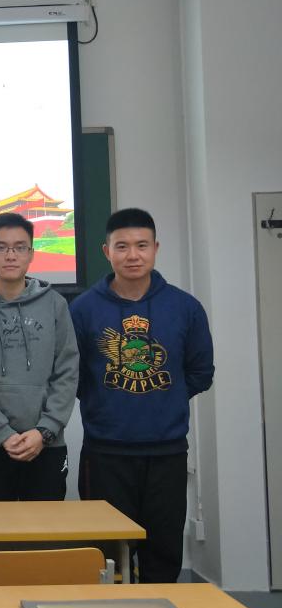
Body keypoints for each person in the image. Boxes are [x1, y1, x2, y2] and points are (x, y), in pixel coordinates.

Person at [71, 207, 214, 583]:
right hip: (105, 453)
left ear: (155, 249)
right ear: (107, 251)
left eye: (141, 245)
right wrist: (110, 403)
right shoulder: (83, 309)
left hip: (166, 453)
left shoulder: (185, 307)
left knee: (163, 554)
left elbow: (201, 372)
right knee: (105, 558)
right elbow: (74, 376)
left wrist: (164, 398)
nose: (132, 255)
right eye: (122, 246)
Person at [0, 212, 79, 502]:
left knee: (46, 529)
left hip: (45, 443)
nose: (10, 255)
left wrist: (44, 431)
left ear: (31, 254)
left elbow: (68, 372)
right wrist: (2, 433)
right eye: (1, 247)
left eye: (20, 247)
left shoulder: (55, 304)